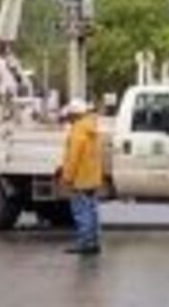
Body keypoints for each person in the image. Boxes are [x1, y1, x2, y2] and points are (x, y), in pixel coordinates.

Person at [59, 98, 103, 255]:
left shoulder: (78, 130)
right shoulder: (93, 127)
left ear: (75, 114)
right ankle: (94, 242)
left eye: (70, 115)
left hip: (80, 178)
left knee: (81, 211)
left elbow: (73, 156)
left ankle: (84, 243)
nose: (69, 118)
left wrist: (67, 177)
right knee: (92, 210)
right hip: (92, 177)